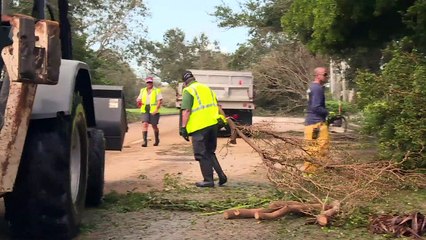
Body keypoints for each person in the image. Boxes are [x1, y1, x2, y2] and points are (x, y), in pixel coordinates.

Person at [179, 70, 227, 187]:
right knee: (210, 152)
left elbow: (186, 110)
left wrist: (183, 128)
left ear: (185, 83)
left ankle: (208, 180)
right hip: (213, 124)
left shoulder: (188, 90)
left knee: (201, 153)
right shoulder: (207, 88)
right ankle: (221, 176)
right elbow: (217, 105)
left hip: (199, 126)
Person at [303, 67, 330, 172]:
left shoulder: (312, 87)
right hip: (316, 124)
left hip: (311, 123)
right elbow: (316, 107)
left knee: (312, 149)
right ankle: (314, 173)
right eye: (325, 74)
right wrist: (327, 113)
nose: (326, 76)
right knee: (320, 149)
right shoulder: (317, 88)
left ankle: (313, 173)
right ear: (318, 75)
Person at [136, 76, 163, 147]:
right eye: (148, 82)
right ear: (146, 83)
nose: (149, 84)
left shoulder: (157, 90)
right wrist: (138, 101)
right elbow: (139, 98)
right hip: (145, 109)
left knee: (154, 125)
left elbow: (159, 101)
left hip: (153, 109)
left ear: (152, 83)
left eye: (150, 82)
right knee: (145, 124)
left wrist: (156, 109)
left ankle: (157, 139)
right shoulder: (142, 90)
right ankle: (145, 142)